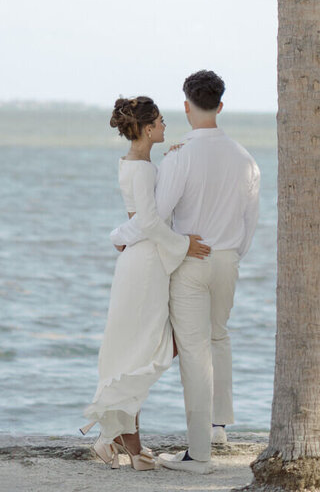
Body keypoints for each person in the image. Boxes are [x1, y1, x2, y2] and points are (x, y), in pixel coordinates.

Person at [111, 70, 260, 475]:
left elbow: (154, 215)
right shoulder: (245, 158)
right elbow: (250, 224)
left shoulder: (180, 156)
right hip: (228, 259)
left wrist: (119, 236)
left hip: (191, 261)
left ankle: (199, 455)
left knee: (194, 352)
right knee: (219, 337)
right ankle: (218, 428)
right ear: (221, 106)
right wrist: (229, 255)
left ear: (186, 105)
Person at [83, 96, 211, 470]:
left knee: (144, 349)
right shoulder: (139, 169)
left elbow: (144, 217)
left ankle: (124, 439)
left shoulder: (140, 163)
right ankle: (119, 440)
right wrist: (185, 245)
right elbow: (152, 222)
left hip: (146, 261)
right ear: (146, 128)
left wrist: (169, 160)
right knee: (146, 350)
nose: (165, 124)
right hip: (144, 264)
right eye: (160, 121)